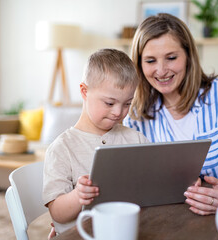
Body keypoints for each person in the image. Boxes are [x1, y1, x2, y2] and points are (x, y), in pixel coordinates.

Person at [123, 13, 218, 216]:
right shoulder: (136, 113)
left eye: (171, 58)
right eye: (150, 61)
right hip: (177, 215)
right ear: (139, 65)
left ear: (188, 56)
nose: (161, 70)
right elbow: (133, 177)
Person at [43, 48, 149, 235]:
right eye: (109, 103)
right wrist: (78, 196)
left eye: (127, 103)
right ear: (84, 91)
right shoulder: (62, 148)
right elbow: (57, 213)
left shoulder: (136, 139)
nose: (118, 112)